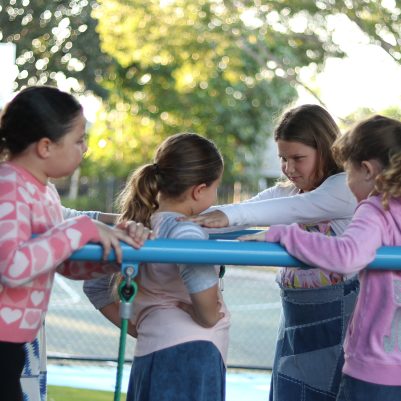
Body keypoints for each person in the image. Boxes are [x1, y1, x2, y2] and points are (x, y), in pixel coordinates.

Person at [182, 104, 359, 401]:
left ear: (326, 150)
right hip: (294, 322)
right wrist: (174, 222)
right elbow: (247, 211)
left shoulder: (343, 188)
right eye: (283, 158)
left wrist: (229, 215)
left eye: (298, 158)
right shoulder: (290, 192)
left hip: (337, 324)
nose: (289, 168)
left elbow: (291, 210)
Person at [0, 86, 150, 401]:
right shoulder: (9, 186)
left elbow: (61, 260)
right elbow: (12, 267)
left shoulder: (44, 191)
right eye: (79, 140)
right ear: (45, 146)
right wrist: (81, 228)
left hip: (12, 341)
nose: (85, 149)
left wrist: (114, 252)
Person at [239, 114, 401, 401]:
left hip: (371, 363)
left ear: (366, 170)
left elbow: (348, 255)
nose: (347, 184)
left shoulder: (374, 209)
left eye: (348, 174)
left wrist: (285, 235)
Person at [84, 132, 231, 401]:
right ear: (199, 190)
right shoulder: (186, 231)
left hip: (152, 350)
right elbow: (210, 315)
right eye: (215, 187)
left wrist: (145, 325)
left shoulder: (143, 226)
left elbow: (95, 285)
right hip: (193, 355)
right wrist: (203, 314)